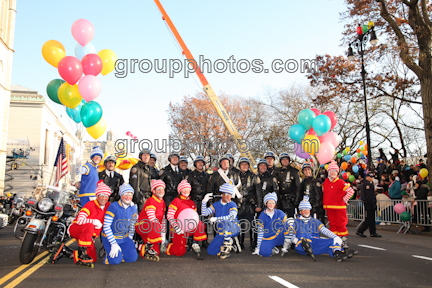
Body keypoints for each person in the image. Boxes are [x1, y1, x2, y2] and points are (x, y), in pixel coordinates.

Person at [51, 181, 111, 268]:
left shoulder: (108, 206)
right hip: (78, 229)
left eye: (106, 196)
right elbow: (80, 220)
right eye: (101, 195)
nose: (103, 198)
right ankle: (83, 254)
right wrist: (95, 222)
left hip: (89, 235)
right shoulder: (90, 205)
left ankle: (65, 251)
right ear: (97, 196)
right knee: (90, 226)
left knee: (93, 258)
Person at [285, 196, 354, 262]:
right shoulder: (295, 222)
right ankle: (306, 245)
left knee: (332, 241)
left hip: (315, 244)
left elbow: (325, 230)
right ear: (300, 212)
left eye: (308, 209)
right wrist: (296, 241)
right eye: (304, 210)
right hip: (302, 247)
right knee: (303, 233)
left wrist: (335, 237)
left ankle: (338, 253)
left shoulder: (315, 221)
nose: (306, 211)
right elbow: (290, 235)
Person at [165, 180, 207, 257]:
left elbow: (195, 218)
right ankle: (169, 246)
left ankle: (195, 243)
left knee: (200, 225)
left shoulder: (192, 203)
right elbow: (169, 216)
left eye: (187, 189)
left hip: (188, 228)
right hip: (178, 229)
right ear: (180, 191)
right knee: (180, 252)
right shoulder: (176, 201)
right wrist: (176, 227)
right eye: (183, 189)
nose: (185, 191)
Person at [202, 183, 241, 259]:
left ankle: (227, 244)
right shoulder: (216, 205)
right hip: (221, 231)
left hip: (233, 228)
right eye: (226, 194)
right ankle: (230, 245)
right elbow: (204, 213)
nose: (228, 197)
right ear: (222, 195)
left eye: (230, 195)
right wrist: (204, 201)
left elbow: (231, 217)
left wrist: (216, 219)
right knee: (211, 251)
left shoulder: (232, 205)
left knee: (224, 223)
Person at [102, 184, 138, 265]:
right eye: (125, 195)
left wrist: (130, 238)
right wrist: (113, 243)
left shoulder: (133, 208)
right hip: (111, 238)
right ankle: (108, 255)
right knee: (116, 261)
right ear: (121, 195)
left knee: (132, 258)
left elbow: (132, 224)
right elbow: (106, 226)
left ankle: (121, 252)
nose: (128, 197)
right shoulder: (113, 206)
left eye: (130, 195)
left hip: (124, 238)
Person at [322, 161, 354, 249]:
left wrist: (345, 199)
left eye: (334, 171)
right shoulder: (326, 181)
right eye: (330, 171)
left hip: (340, 207)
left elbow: (351, 191)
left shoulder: (340, 182)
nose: (332, 173)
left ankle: (343, 241)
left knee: (341, 224)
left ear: (337, 172)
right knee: (332, 224)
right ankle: (334, 240)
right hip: (329, 206)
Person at [252, 192, 292, 257]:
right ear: (266, 203)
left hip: (280, 236)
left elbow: (288, 226)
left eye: (273, 203)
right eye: (269, 203)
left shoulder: (280, 213)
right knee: (263, 253)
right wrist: (258, 247)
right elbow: (260, 232)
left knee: (290, 222)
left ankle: (287, 245)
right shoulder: (262, 215)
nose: (271, 205)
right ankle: (272, 248)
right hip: (269, 237)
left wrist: (290, 238)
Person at [235, 157, 263, 250]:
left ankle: (253, 242)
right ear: (239, 166)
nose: (245, 166)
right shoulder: (235, 176)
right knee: (240, 224)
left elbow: (259, 193)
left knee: (252, 224)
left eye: (246, 164)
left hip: (250, 203)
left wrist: (259, 205)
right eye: (242, 164)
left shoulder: (254, 176)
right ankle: (240, 242)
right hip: (239, 203)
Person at [136, 180, 167, 261]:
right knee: (155, 224)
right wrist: (160, 231)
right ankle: (148, 247)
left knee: (156, 251)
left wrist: (163, 234)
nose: (161, 191)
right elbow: (152, 218)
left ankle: (141, 246)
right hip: (143, 226)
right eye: (158, 189)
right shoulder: (151, 200)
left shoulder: (162, 202)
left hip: (153, 229)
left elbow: (163, 219)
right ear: (154, 191)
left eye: (162, 189)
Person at [188, 155, 210, 246]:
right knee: (193, 222)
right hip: (194, 201)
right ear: (195, 164)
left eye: (202, 162)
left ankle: (204, 240)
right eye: (198, 162)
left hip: (204, 202)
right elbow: (187, 189)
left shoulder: (208, 176)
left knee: (205, 221)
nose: (200, 164)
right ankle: (191, 241)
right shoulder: (190, 175)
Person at [274, 152, 301, 217]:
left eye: (286, 159)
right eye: (283, 159)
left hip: (290, 201)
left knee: (290, 221)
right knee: (280, 220)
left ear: (289, 160)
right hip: (280, 201)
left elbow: (298, 187)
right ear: (280, 161)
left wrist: (296, 201)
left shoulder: (294, 171)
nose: (285, 161)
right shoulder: (277, 171)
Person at [356, 172, 382, 238]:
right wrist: (373, 202)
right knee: (369, 218)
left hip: (369, 202)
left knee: (372, 218)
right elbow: (369, 195)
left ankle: (373, 232)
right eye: (371, 177)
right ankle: (360, 230)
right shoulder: (367, 184)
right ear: (367, 177)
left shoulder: (367, 184)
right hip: (369, 203)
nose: (372, 179)